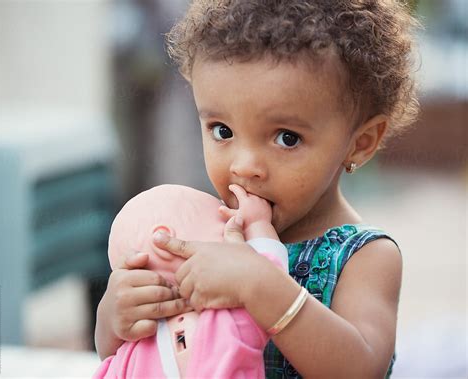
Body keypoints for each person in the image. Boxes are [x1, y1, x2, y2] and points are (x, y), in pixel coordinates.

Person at [95, 0, 420, 377]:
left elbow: (361, 369)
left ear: (360, 142)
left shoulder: (365, 257)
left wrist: (260, 285)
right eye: (222, 131)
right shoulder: (206, 232)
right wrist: (115, 320)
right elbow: (151, 355)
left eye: (286, 138)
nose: (244, 165)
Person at [94, 183, 289, 378]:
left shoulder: (127, 357)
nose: (242, 237)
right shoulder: (226, 317)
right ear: (164, 241)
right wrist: (257, 225)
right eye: (226, 227)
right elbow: (268, 284)